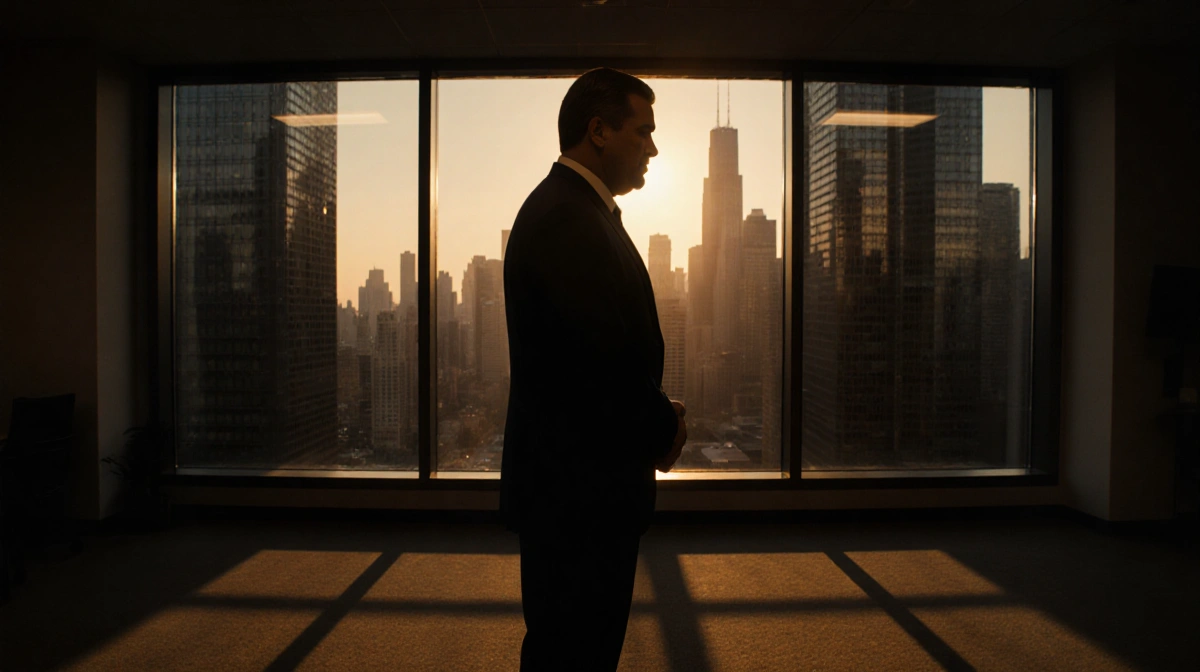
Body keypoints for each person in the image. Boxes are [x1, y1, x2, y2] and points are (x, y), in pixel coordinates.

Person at [500, 67, 688, 672]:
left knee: (572, 647)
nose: (654, 147)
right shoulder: (568, 220)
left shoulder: (580, 210)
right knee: (574, 650)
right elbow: (595, 369)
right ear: (599, 130)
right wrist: (665, 426)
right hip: (578, 497)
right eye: (644, 131)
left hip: (577, 489)